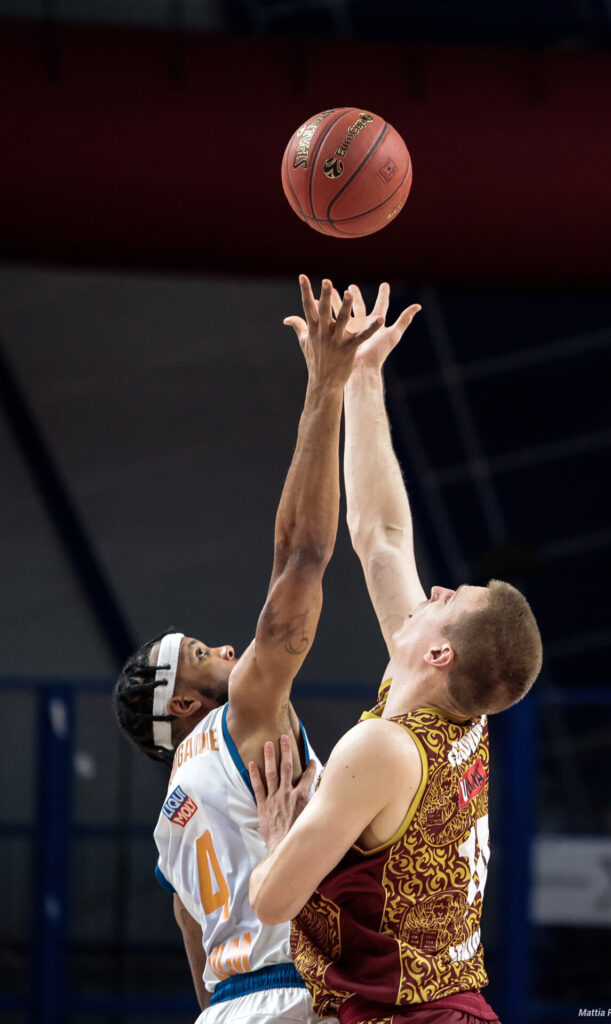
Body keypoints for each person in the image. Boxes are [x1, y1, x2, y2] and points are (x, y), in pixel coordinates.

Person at [248, 283, 543, 1024]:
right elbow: (380, 537)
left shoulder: (381, 745)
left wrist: (282, 836)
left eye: (449, 599)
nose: (435, 589)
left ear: (440, 652)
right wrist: (364, 377)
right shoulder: (455, 715)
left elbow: (270, 900)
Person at [112, 275, 384, 1023]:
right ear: (183, 702)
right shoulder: (243, 720)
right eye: (203, 651)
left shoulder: (170, 831)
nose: (228, 645)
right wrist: (325, 386)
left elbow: (202, 980)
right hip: (302, 994)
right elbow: (300, 557)